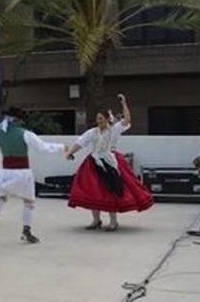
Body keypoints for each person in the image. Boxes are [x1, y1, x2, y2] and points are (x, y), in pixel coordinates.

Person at [0, 102, 68, 243]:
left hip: (5, 172)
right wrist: (62, 147)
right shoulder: (25, 134)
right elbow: (43, 147)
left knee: (1, 197)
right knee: (29, 202)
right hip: (22, 173)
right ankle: (26, 231)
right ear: (19, 120)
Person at [66, 94, 154, 230]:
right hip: (93, 163)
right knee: (93, 191)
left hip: (111, 162)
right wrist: (71, 152)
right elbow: (80, 142)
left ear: (107, 119)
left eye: (101, 118)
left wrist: (124, 104)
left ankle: (113, 222)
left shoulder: (114, 129)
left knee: (111, 190)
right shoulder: (92, 132)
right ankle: (96, 220)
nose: (98, 121)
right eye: (97, 119)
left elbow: (127, 120)